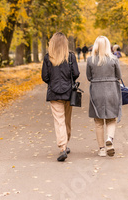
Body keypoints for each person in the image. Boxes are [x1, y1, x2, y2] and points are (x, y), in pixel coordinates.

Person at [41, 32, 80, 162]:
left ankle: (63, 147)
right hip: (69, 93)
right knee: (67, 120)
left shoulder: (48, 58)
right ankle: (65, 143)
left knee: (59, 121)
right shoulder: (70, 57)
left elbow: (45, 77)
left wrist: (53, 82)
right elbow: (76, 73)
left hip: (54, 93)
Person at [87, 36, 122, 157]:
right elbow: (119, 75)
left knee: (98, 122)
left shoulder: (90, 60)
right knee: (112, 118)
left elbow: (89, 77)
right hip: (112, 90)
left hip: (97, 91)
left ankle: (102, 149)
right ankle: (110, 139)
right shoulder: (114, 59)